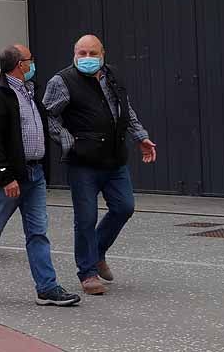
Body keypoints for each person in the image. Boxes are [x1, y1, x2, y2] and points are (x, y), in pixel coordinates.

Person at [0, 45, 80, 307]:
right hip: (10, 177)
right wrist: (6, 176)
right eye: (30, 60)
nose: (33, 64)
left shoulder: (28, 92)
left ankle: (47, 288)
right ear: (19, 64)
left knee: (38, 232)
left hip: (34, 173)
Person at [43, 34, 158, 296]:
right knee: (85, 218)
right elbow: (48, 115)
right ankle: (87, 272)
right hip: (83, 162)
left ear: (103, 54)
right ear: (74, 54)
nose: (87, 59)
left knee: (124, 207)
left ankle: (97, 252)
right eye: (81, 53)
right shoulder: (62, 81)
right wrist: (67, 141)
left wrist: (141, 138)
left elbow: (125, 111)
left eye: (92, 53)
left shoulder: (113, 76)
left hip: (114, 158)